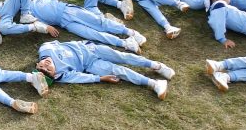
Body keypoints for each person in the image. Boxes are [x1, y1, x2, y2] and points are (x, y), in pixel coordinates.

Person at [35, 40, 172, 100]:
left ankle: (156, 65)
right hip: (90, 65)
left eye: (41, 66)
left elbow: (56, 43)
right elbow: (80, 77)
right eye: (48, 70)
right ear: (53, 75)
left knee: (122, 57)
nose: (45, 64)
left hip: (90, 48)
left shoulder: (45, 49)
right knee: (118, 70)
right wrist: (100, 78)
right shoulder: (61, 75)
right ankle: (154, 83)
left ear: (37, 65)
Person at [29, 0, 146, 53]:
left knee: (99, 22)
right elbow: (40, 25)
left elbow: (54, 1)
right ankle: (124, 43)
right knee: (91, 34)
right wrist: (48, 27)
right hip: (64, 23)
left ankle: (131, 32)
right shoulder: (30, 14)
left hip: (68, 10)